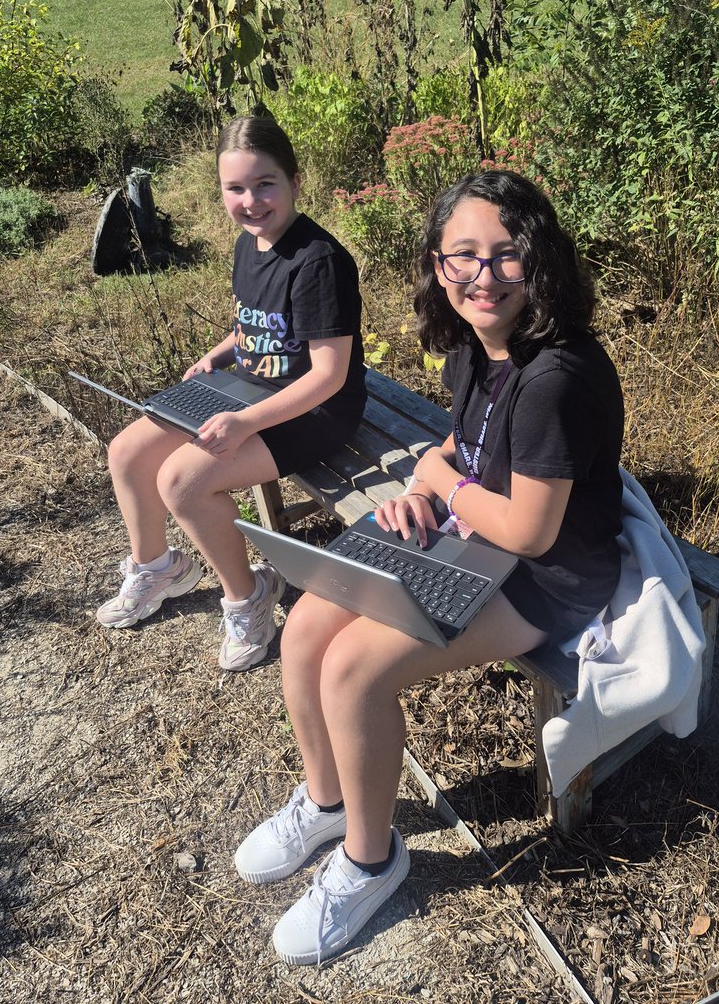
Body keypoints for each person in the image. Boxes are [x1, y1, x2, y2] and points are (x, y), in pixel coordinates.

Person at [233, 170, 624, 964]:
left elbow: (533, 529)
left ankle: (372, 862)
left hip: (551, 576)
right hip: (479, 537)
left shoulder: (554, 376)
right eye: (463, 256)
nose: (484, 277)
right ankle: (327, 800)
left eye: (507, 255)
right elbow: (463, 451)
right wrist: (425, 486)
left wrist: (443, 484)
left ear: (540, 258)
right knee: (308, 625)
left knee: (352, 672)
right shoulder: (481, 347)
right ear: (438, 264)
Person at [96, 117, 366, 672]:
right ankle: (158, 567)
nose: (251, 201)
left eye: (265, 184)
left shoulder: (318, 261)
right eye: (235, 189)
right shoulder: (250, 243)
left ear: (295, 181)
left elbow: (329, 376)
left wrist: (244, 424)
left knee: (182, 481)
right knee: (126, 451)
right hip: (247, 387)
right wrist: (221, 353)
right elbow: (258, 323)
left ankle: (249, 598)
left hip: (313, 409)